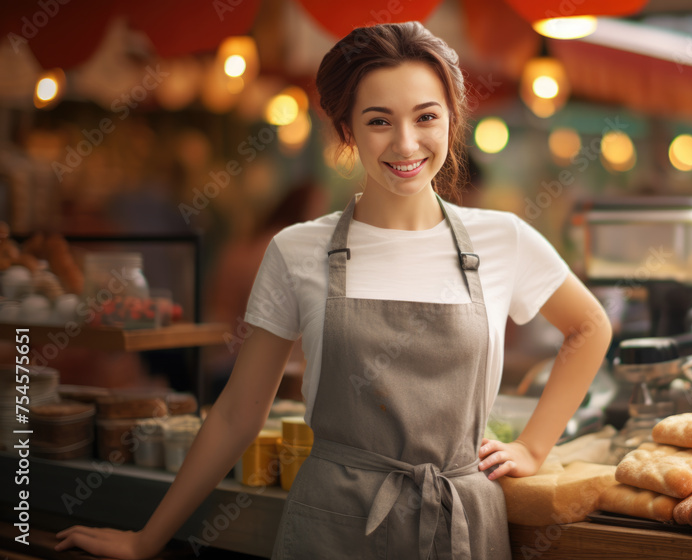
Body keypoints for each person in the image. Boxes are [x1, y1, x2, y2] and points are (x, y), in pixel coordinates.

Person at [55, 22, 612, 559]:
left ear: (451, 121)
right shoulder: (297, 251)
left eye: (426, 117)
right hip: (333, 522)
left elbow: (589, 328)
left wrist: (533, 446)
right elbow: (235, 417)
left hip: (461, 519)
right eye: (378, 121)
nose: (405, 142)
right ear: (346, 130)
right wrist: (145, 540)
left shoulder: (504, 239)